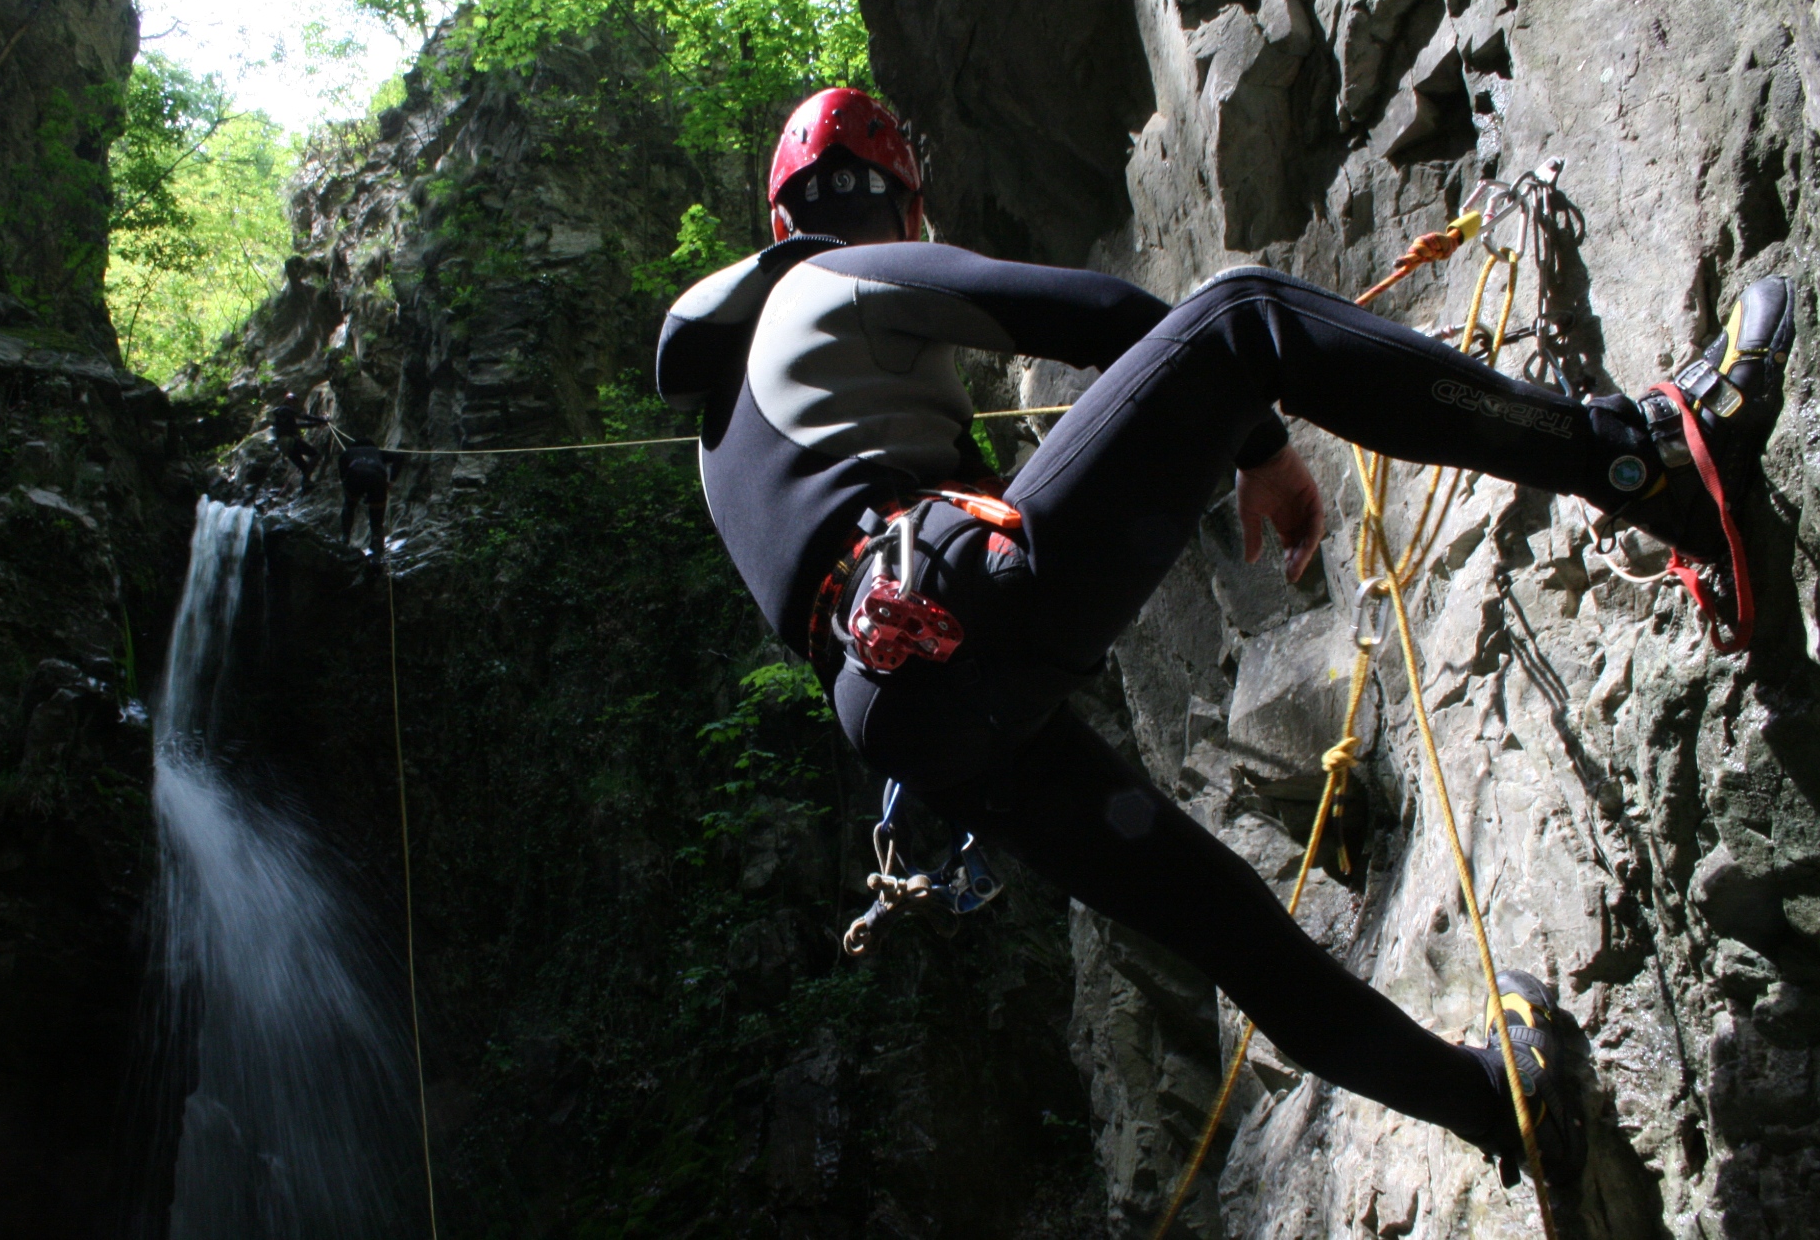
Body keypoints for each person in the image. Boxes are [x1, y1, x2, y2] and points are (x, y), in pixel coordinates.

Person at [654, 87, 1795, 1186]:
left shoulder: (719, 440)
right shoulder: (833, 279)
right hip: (962, 601)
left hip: (910, 719)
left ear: (776, 215)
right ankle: (1649, 458)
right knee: (1245, 317)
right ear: (906, 209)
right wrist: (1256, 447)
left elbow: (837, 582)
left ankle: (1501, 1108)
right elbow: (1102, 314)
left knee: (1216, 922)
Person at [337, 439, 393, 560]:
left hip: (354, 474)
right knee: (377, 519)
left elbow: (343, 477)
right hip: (377, 477)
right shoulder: (377, 452)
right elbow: (399, 457)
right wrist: (392, 480)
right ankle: (377, 552)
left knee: (349, 505)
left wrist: (353, 491)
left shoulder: (347, 453)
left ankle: (345, 539)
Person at [269, 391, 328, 491]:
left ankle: (306, 485)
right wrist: (321, 420)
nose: (294, 404)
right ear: (289, 401)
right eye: (293, 402)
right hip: (290, 440)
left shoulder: (281, 415)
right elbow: (303, 417)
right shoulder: (286, 409)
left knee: (304, 467)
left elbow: (297, 426)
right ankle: (305, 482)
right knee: (315, 455)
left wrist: (315, 425)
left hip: (283, 445)